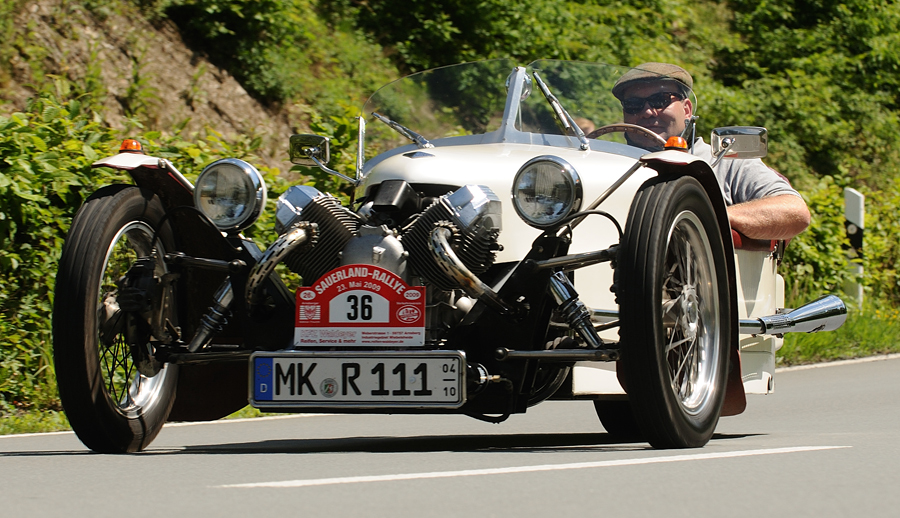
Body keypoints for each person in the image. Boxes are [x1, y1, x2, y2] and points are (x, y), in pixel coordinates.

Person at [611, 62, 810, 241]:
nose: (647, 112)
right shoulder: (608, 164)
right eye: (633, 105)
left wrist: (706, 217)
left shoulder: (724, 161)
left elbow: (795, 212)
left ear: (687, 110)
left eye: (660, 101)